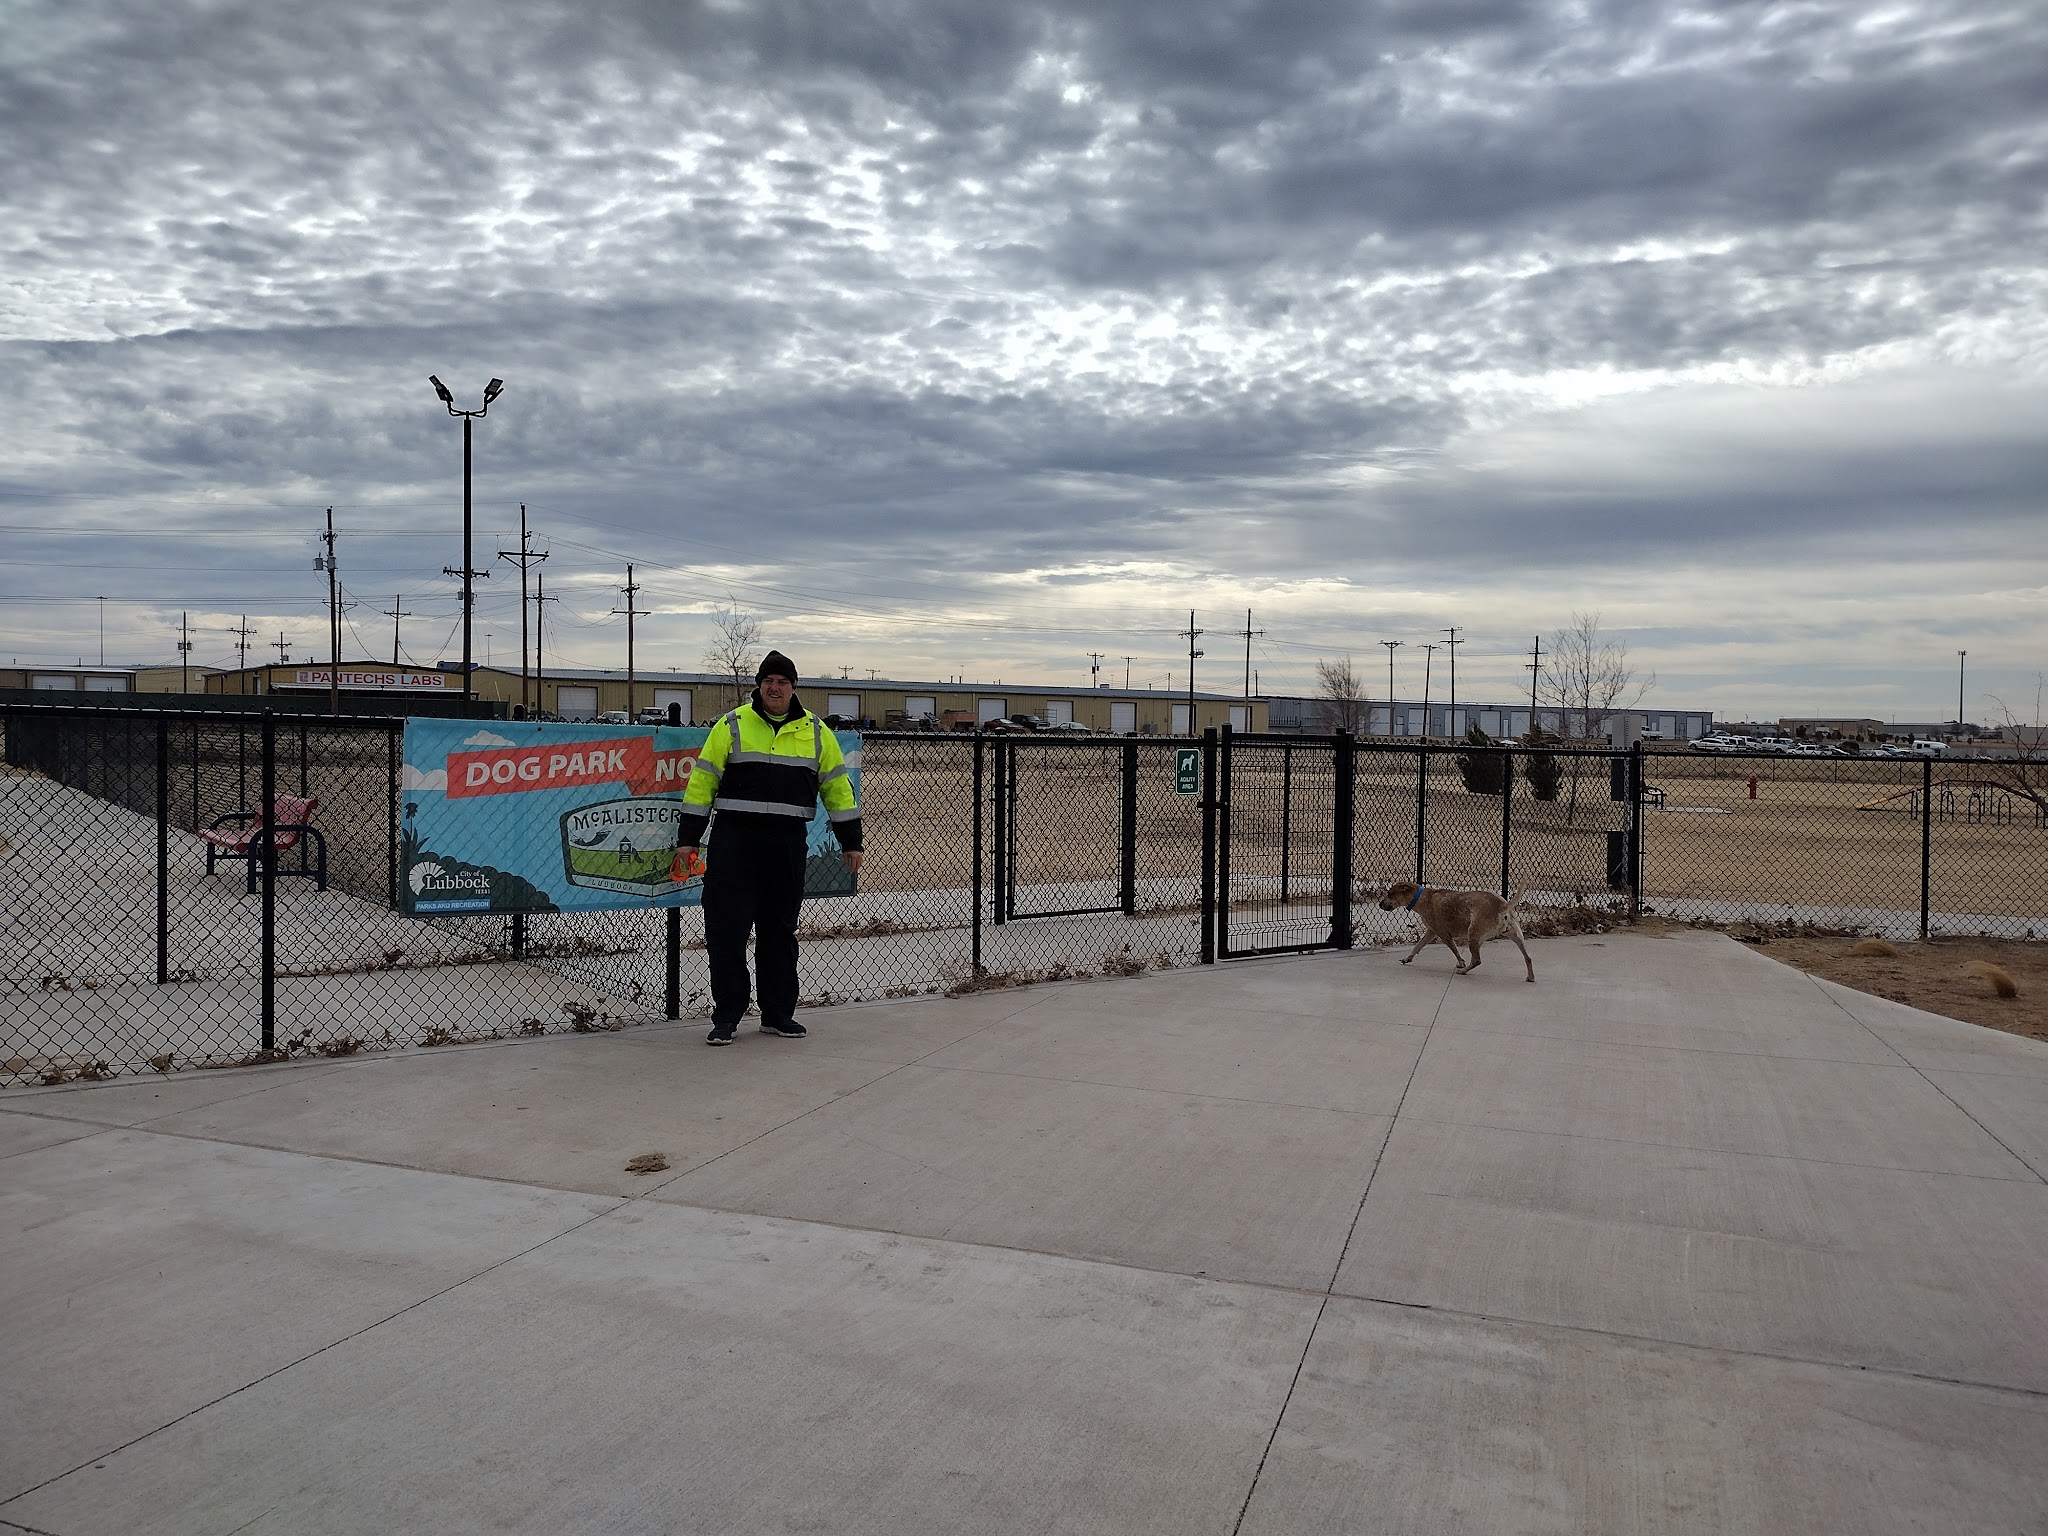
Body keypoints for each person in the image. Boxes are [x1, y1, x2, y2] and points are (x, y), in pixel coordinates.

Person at [676, 651, 862, 1045]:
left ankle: (777, 1015)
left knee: (779, 933)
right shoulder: (732, 725)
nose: (774, 688)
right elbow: (701, 785)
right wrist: (688, 839)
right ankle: (726, 1017)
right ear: (758, 687)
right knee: (727, 931)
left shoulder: (816, 732)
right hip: (734, 843)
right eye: (768, 681)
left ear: (794, 687)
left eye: (782, 681)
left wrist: (851, 842)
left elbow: (837, 790)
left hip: (786, 845)